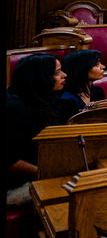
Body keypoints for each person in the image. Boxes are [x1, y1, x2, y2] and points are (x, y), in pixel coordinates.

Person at [5, 54, 67, 206]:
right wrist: (45, 172)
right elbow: (9, 161)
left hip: (36, 176)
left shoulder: (47, 100)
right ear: (41, 78)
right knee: (71, 192)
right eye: (57, 72)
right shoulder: (14, 109)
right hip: (13, 186)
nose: (64, 75)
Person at [56, 49, 106, 123]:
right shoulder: (66, 99)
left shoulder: (98, 91)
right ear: (82, 69)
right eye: (96, 64)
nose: (103, 67)